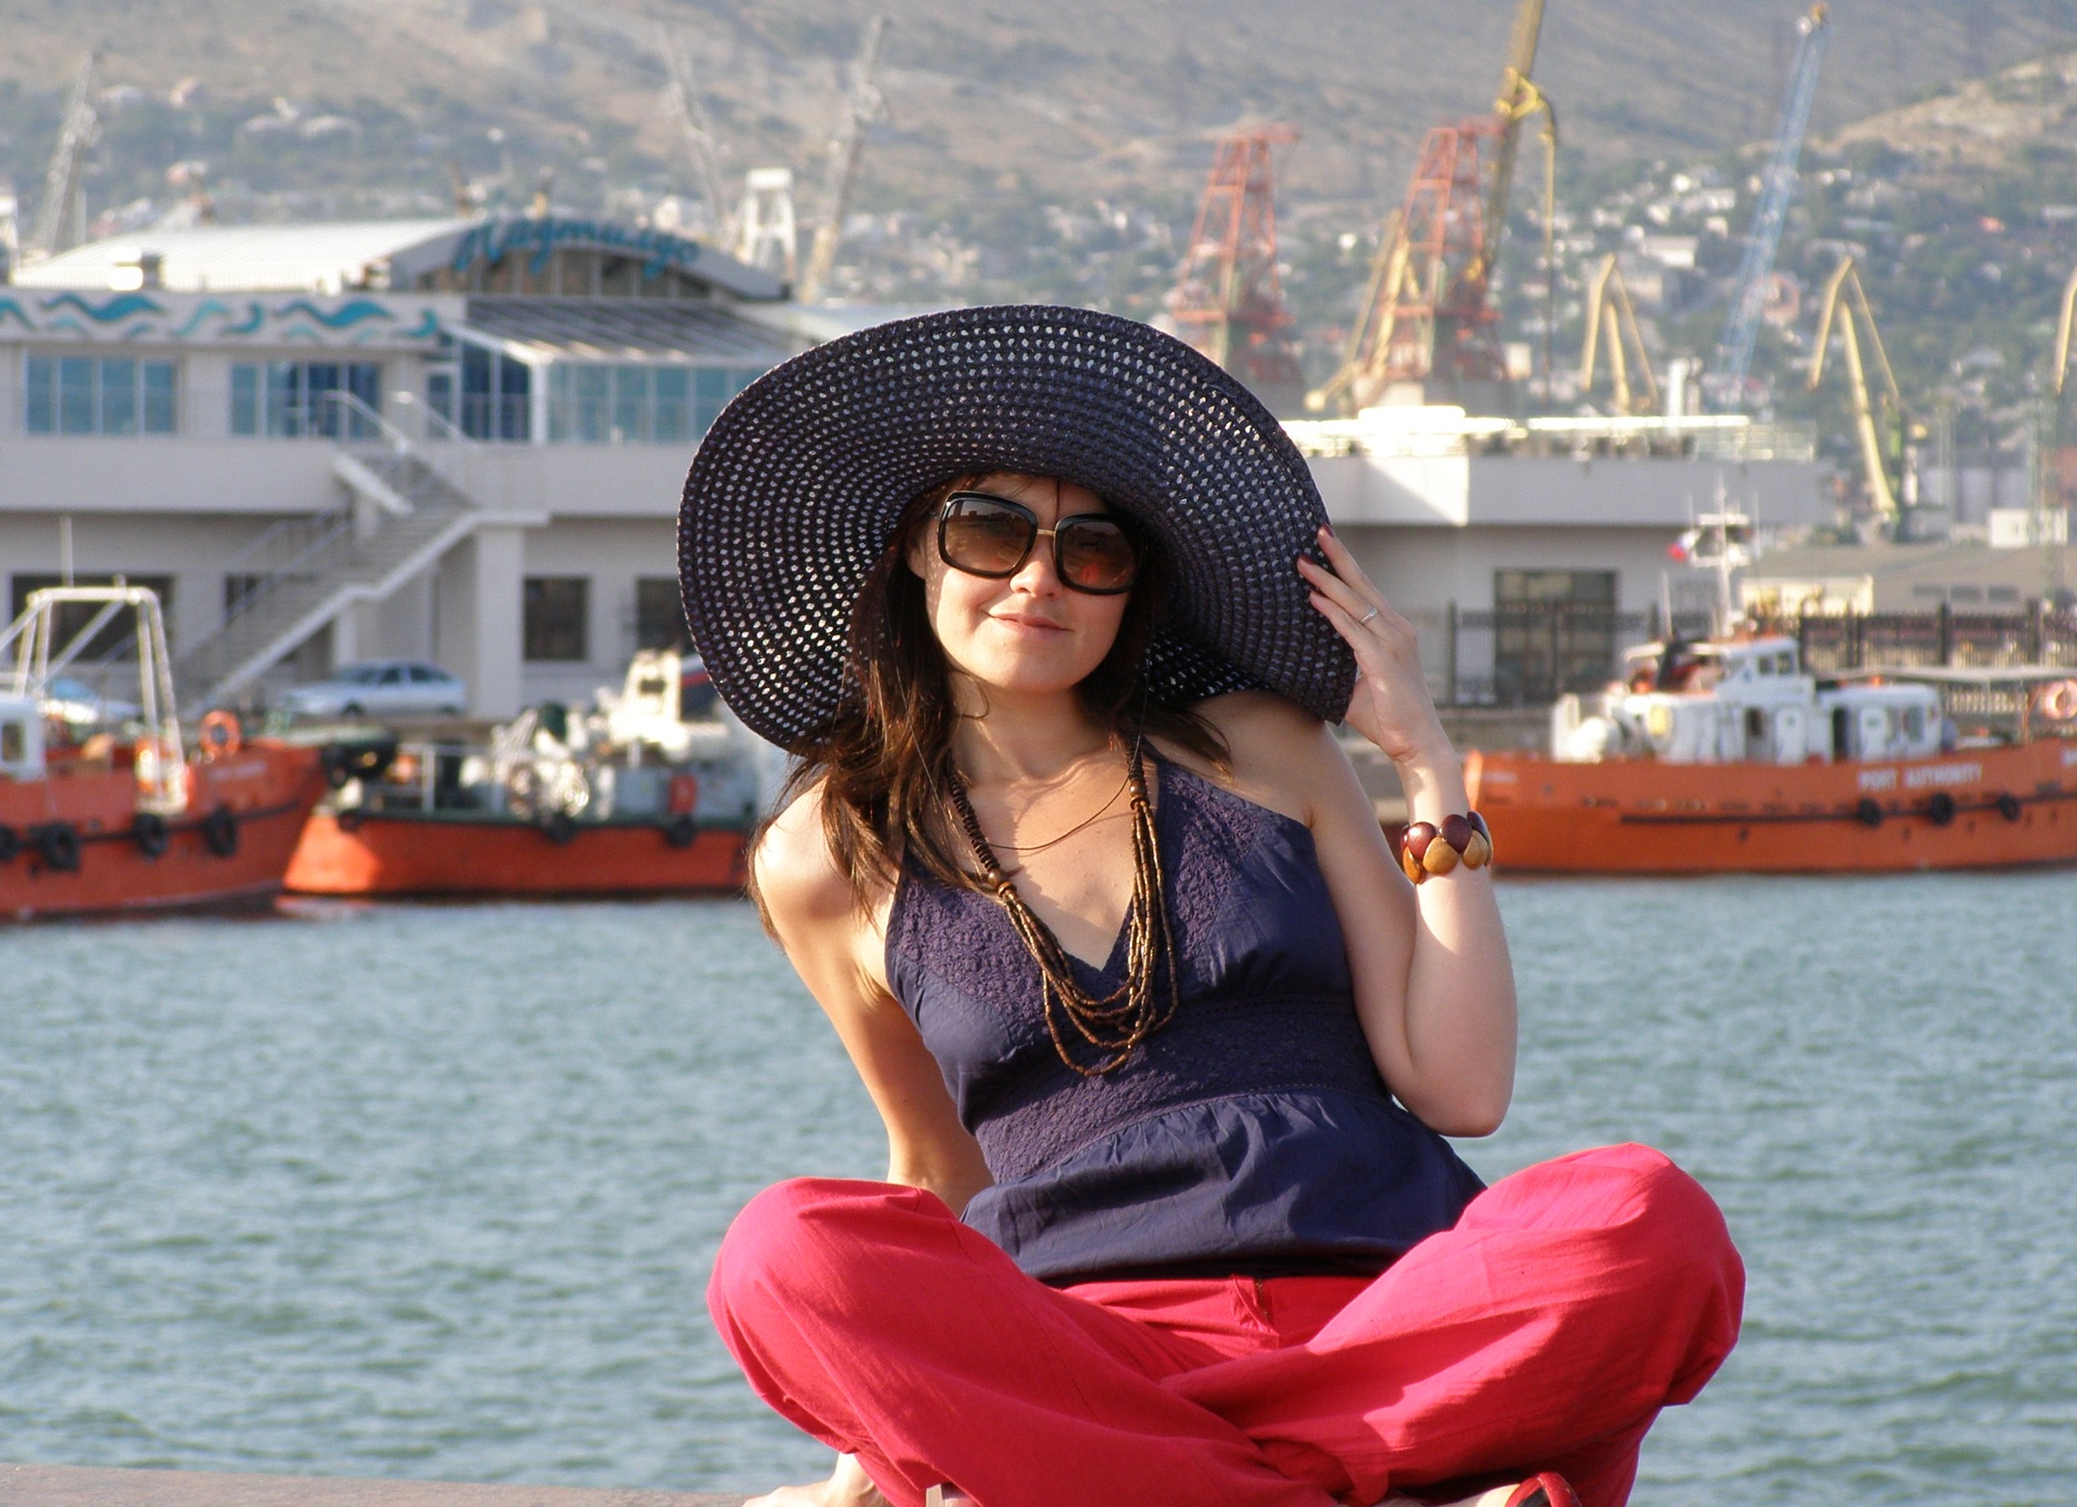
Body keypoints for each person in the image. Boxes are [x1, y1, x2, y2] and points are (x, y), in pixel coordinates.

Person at [677, 306, 1743, 1507]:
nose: (1038, 578)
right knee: (780, 1252)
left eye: (1093, 551)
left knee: (1648, 1219)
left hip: (1391, 1322)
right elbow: (935, 1162)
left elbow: (1461, 1091)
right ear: (918, 550)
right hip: (1102, 1349)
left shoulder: (1266, 747)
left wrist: (1428, 765)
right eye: (989, 530)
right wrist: (863, 1444)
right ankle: (1363, 1481)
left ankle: (1195, 1477)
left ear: (1133, 587)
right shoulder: (829, 854)